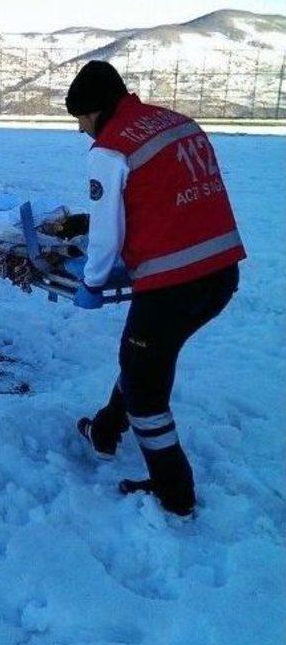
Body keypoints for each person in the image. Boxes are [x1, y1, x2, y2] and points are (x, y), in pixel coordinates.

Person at [66, 60, 246, 516]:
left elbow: (106, 232)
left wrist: (92, 280)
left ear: (96, 111)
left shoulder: (110, 148)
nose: (83, 130)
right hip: (221, 271)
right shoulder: (177, 122)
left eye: (81, 120)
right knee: (146, 355)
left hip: (175, 282)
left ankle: (175, 493)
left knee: (145, 385)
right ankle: (106, 430)